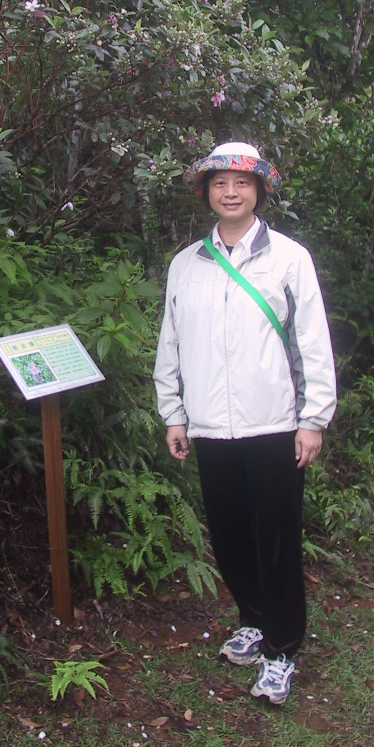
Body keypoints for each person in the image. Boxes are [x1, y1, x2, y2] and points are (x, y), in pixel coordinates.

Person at [153, 141, 337, 705]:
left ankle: (281, 649)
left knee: (276, 540)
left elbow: (313, 342)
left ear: (259, 191)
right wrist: (174, 412)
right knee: (230, 536)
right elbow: (170, 342)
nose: (230, 192)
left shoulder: (289, 259)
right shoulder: (186, 264)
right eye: (219, 183)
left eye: (241, 183)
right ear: (206, 192)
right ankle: (253, 621)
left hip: (275, 425)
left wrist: (313, 418)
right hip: (211, 427)